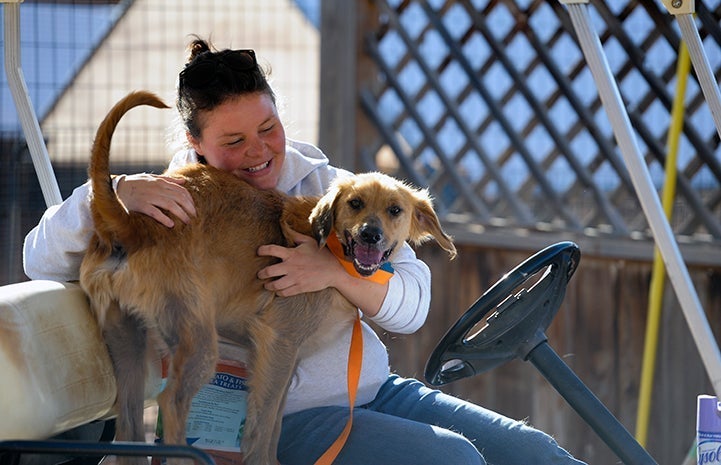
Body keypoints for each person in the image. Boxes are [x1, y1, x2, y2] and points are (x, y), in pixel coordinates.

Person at [23, 37, 587, 465]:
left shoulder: (339, 190)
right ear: (195, 144)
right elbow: (40, 261)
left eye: (268, 128)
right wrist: (116, 191)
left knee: (533, 453)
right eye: (232, 141)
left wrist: (333, 273)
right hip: (277, 417)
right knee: (455, 459)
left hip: (376, 390)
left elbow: (413, 303)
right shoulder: (171, 208)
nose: (258, 152)